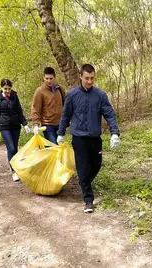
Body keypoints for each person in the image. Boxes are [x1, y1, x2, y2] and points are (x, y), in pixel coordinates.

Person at [57, 64, 120, 213]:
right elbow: (65, 115)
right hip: (79, 138)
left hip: (94, 137)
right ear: (80, 76)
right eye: (87, 78)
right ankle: (88, 200)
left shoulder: (100, 95)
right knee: (83, 168)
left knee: (96, 165)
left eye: (92, 78)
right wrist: (60, 133)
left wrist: (115, 133)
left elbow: (109, 114)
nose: (90, 81)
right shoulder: (72, 95)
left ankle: (84, 183)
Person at [0, 79, 31, 182]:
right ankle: (14, 172)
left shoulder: (14, 96)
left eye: (9, 89)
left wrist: (25, 124)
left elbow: (19, 111)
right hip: (4, 126)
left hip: (15, 126)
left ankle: (15, 167)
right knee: (11, 148)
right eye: (5, 89)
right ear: (1, 88)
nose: (7, 91)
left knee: (15, 149)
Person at [31, 67, 65, 144]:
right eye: (47, 78)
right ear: (44, 78)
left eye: (51, 78)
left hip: (59, 124)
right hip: (48, 124)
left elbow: (65, 105)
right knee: (53, 145)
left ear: (54, 78)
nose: (49, 81)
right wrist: (35, 124)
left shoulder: (60, 89)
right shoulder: (40, 91)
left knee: (59, 148)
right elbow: (35, 108)